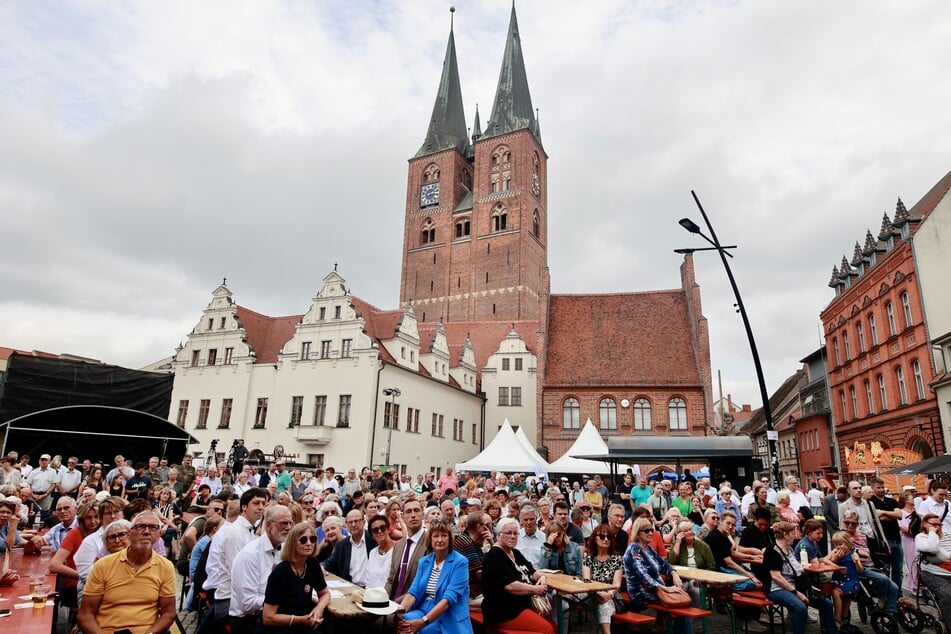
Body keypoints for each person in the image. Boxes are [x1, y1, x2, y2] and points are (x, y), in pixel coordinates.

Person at [77, 511, 177, 634]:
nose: (146, 532)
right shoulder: (103, 565)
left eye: (153, 527)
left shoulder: (165, 567)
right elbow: (85, 614)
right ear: (130, 534)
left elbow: (169, 612)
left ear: (159, 534)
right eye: (140, 527)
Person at [396, 519, 472, 634]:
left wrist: (423, 621)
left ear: (450, 538)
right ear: (430, 539)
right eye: (436, 536)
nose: (440, 540)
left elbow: (448, 600)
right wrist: (399, 614)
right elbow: (413, 592)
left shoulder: (460, 562)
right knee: (404, 623)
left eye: (444, 536)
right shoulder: (424, 561)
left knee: (424, 630)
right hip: (424, 608)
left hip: (448, 614)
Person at [480, 517, 554, 634]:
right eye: (509, 533)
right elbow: (510, 586)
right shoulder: (494, 556)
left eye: (516, 533)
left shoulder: (515, 552)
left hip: (522, 606)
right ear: (499, 535)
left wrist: (542, 577)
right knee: (547, 629)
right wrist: (535, 589)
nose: (513, 536)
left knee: (553, 625)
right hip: (504, 611)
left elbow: (532, 572)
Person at [230, 505, 294, 634]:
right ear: (269, 525)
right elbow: (248, 604)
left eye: (290, 523)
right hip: (247, 619)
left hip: (273, 613)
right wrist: (283, 600)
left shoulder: (284, 548)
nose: (288, 528)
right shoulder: (251, 555)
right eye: (283, 524)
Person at [623, 517, 693, 634]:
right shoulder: (633, 550)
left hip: (656, 589)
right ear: (637, 533)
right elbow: (644, 577)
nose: (651, 533)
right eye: (646, 531)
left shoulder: (648, 548)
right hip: (641, 592)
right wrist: (666, 588)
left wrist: (674, 574)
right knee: (679, 604)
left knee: (683, 599)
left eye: (651, 530)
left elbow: (664, 565)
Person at [764, 521, 835, 634]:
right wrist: (797, 592)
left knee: (826, 604)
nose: (795, 535)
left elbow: (797, 570)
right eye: (793, 533)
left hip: (795, 586)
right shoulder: (772, 551)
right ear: (785, 534)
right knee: (800, 608)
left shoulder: (789, 549)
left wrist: (809, 586)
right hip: (777, 588)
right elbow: (776, 577)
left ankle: (831, 631)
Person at [261, 521, 331, 631]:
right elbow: (268, 617)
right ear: (293, 543)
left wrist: (319, 608)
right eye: (303, 540)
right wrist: (301, 620)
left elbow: (325, 593)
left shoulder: (313, 564)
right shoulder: (281, 572)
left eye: (312, 539)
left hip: (306, 620)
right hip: (283, 626)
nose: (309, 543)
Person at [50, 500, 101, 609]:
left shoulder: (104, 534)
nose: (93, 521)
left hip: (99, 582)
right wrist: (84, 576)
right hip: (75, 583)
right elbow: (54, 565)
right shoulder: (74, 533)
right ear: (82, 519)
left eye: (96, 517)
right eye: (89, 518)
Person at [582, 526, 624, 634]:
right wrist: (598, 593)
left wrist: (609, 594)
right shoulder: (588, 558)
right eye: (602, 536)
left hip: (610, 596)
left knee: (604, 605)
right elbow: (587, 581)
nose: (606, 539)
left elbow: (617, 584)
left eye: (609, 537)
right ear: (594, 539)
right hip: (591, 594)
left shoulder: (617, 559)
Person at [667, 520, 716, 608]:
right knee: (680, 590)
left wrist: (701, 577)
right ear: (680, 534)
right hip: (681, 578)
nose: (689, 532)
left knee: (696, 591)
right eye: (685, 531)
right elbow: (671, 561)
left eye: (690, 529)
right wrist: (678, 542)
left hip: (697, 578)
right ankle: (681, 617)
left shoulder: (703, 546)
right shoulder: (677, 544)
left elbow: (711, 565)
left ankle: (696, 615)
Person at [914, 512, 951, 626]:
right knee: (947, 595)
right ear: (925, 524)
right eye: (934, 524)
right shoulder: (921, 537)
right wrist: (932, 533)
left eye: (940, 525)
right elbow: (932, 548)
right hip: (934, 574)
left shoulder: (948, 535)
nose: (938, 527)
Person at [323, 509, 377, 586]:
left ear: (364, 522)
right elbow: (328, 564)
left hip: (371, 588)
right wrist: (322, 567)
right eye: (350, 522)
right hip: (351, 587)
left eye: (356, 521)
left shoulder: (374, 540)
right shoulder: (342, 545)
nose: (353, 525)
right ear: (346, 525)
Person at [827, 531, 862, 632]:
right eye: (836, 544)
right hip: (839, 580)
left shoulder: (853, 554)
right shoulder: (835, 552)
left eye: (840, 544)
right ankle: (844, 622)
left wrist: (856, 562)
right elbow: (825, 560)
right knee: (845, 600)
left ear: (848, 543)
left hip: (851, 581)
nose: (838, 547)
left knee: (836, 592)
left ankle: (837, 619)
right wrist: (836, 564)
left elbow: (860, 570)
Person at [897, 491, 919, 592]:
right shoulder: (901, 512)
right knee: (912, 561)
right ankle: (914, 585)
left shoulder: (916, 511)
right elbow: (903, 528)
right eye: (911, 497)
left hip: (919, 539)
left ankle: (922, 585)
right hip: (909, 540)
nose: (913, 499)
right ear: (905, 500)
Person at [367, 514, 397, 589]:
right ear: (372, 535)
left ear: (388, 529)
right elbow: (368, 579)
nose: (379, 531)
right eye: (375, 530)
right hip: (372, 595)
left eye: (382, 528)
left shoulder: (398, 549)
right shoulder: (372, 553)